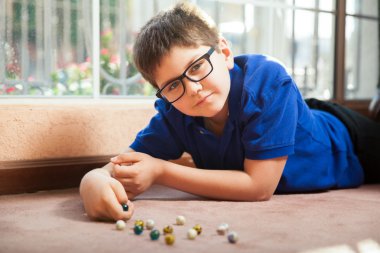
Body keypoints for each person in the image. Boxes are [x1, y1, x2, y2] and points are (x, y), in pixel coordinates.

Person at [79, 2, 380, 221]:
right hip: (301, 117)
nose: (193, 88)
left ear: (224, 52)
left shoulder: (266, 83)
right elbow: (122, 165)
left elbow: (258, 187)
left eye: (197, 66)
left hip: (347, 139)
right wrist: (93, 180)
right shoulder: (176, 109)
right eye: (172, 85)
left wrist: (161, 171)